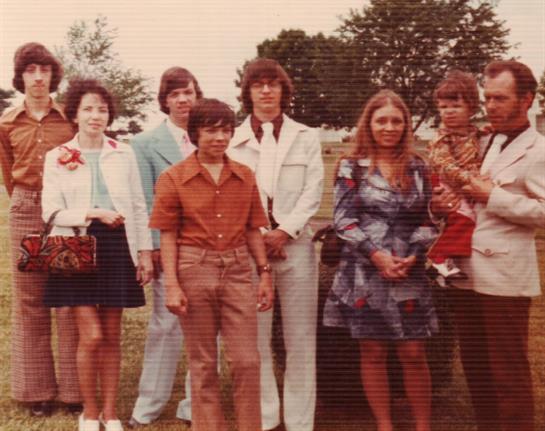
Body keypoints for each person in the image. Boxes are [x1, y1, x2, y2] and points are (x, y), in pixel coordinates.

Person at [432, 60, 545, 431]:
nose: (491, 106)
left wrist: (493, 197)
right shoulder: (483, 140)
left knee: (507, 374)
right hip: (466, 272)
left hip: (504, 279)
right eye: (488, 98)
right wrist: (439, 206)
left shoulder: (538, 150)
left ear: (526, 99)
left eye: (501, 98)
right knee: (477, 370)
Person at [149, 98, 274, 431]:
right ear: (194, 134)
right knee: (203, 363)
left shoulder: (245, 175)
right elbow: (168, 235)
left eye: (226, 130)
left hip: (237, 270)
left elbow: (253, 228)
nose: (220, 138)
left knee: (247, 361)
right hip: (194, 268)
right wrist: (172, 285)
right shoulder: (173, 178)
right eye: (211, 131)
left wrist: (264, 273)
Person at [41, 78, 153, 431]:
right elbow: (51, 212)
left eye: (102, 109)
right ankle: (89, 412)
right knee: (90, 336)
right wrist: (93, 213)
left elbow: (138, 206)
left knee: (112, 336)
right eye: (87, 109)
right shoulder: (56, 156)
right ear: (74, 114)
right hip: (75, 246)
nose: (95, 116)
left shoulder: (124, 152)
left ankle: (110, 412)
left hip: (117, 246)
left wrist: (144, 253)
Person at [323, 90, 438, 431]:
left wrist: (413, 255)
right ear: (368, 124)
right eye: (381, 121)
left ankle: (422, 426)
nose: (389, 127)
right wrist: (376, 256)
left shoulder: (418, 166)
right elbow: (343, 220)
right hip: (364, 272)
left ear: (406, 126)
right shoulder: (351, 166)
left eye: (396, 121)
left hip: (408, 271)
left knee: (413, 353)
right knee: (373, 353)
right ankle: (384, 425)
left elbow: (429, 218)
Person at [228, 58, 324, 431]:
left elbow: (313, 191)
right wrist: (260, 236)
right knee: (256, 337)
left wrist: (284, 231)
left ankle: (299, 422)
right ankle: (266, 418)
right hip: (249, 247)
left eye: (274, 84)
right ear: (248, 92)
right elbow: (231, 193)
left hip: (295, 247)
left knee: (301, 338)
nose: (266, 91)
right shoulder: (233, 139)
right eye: (258, 84)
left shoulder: (306, 136)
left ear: (285, 90)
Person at [0, 42, 82, 417]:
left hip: (63, 211)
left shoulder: (69, 119)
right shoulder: (7, 122)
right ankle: (37, 393)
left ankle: (74, 391)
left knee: (68, 298)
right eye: (30, 70)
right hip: (25, 209)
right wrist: (26, 201)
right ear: (21, 77)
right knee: (31, 302)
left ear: (52, 75)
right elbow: (8, 173)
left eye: (44, 70)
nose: (37, 77)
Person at [128, 66, 202, 429]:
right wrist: (153, 248)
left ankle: (194, 405)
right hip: (168, 248)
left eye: (188, 92)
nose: (183, 99)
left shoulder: (213, 136)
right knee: (165, 326)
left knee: (204, 328)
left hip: (208, 248)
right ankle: (148, 406)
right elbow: (144, 199)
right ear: (165, 100)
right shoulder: (144, 144)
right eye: (175, 94)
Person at [426, 70, 490, 280]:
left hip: (463, 185)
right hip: (448, 183)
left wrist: (486, 130)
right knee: (464, 218)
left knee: (463, 220)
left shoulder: (471, 132)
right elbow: (444, 164)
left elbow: (475, 138)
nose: (449, 112)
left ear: (471, 108)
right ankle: (438, 258)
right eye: (444, 107)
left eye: (456, 106)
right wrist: (469, 178)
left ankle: (446, 259)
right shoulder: (442, 138)